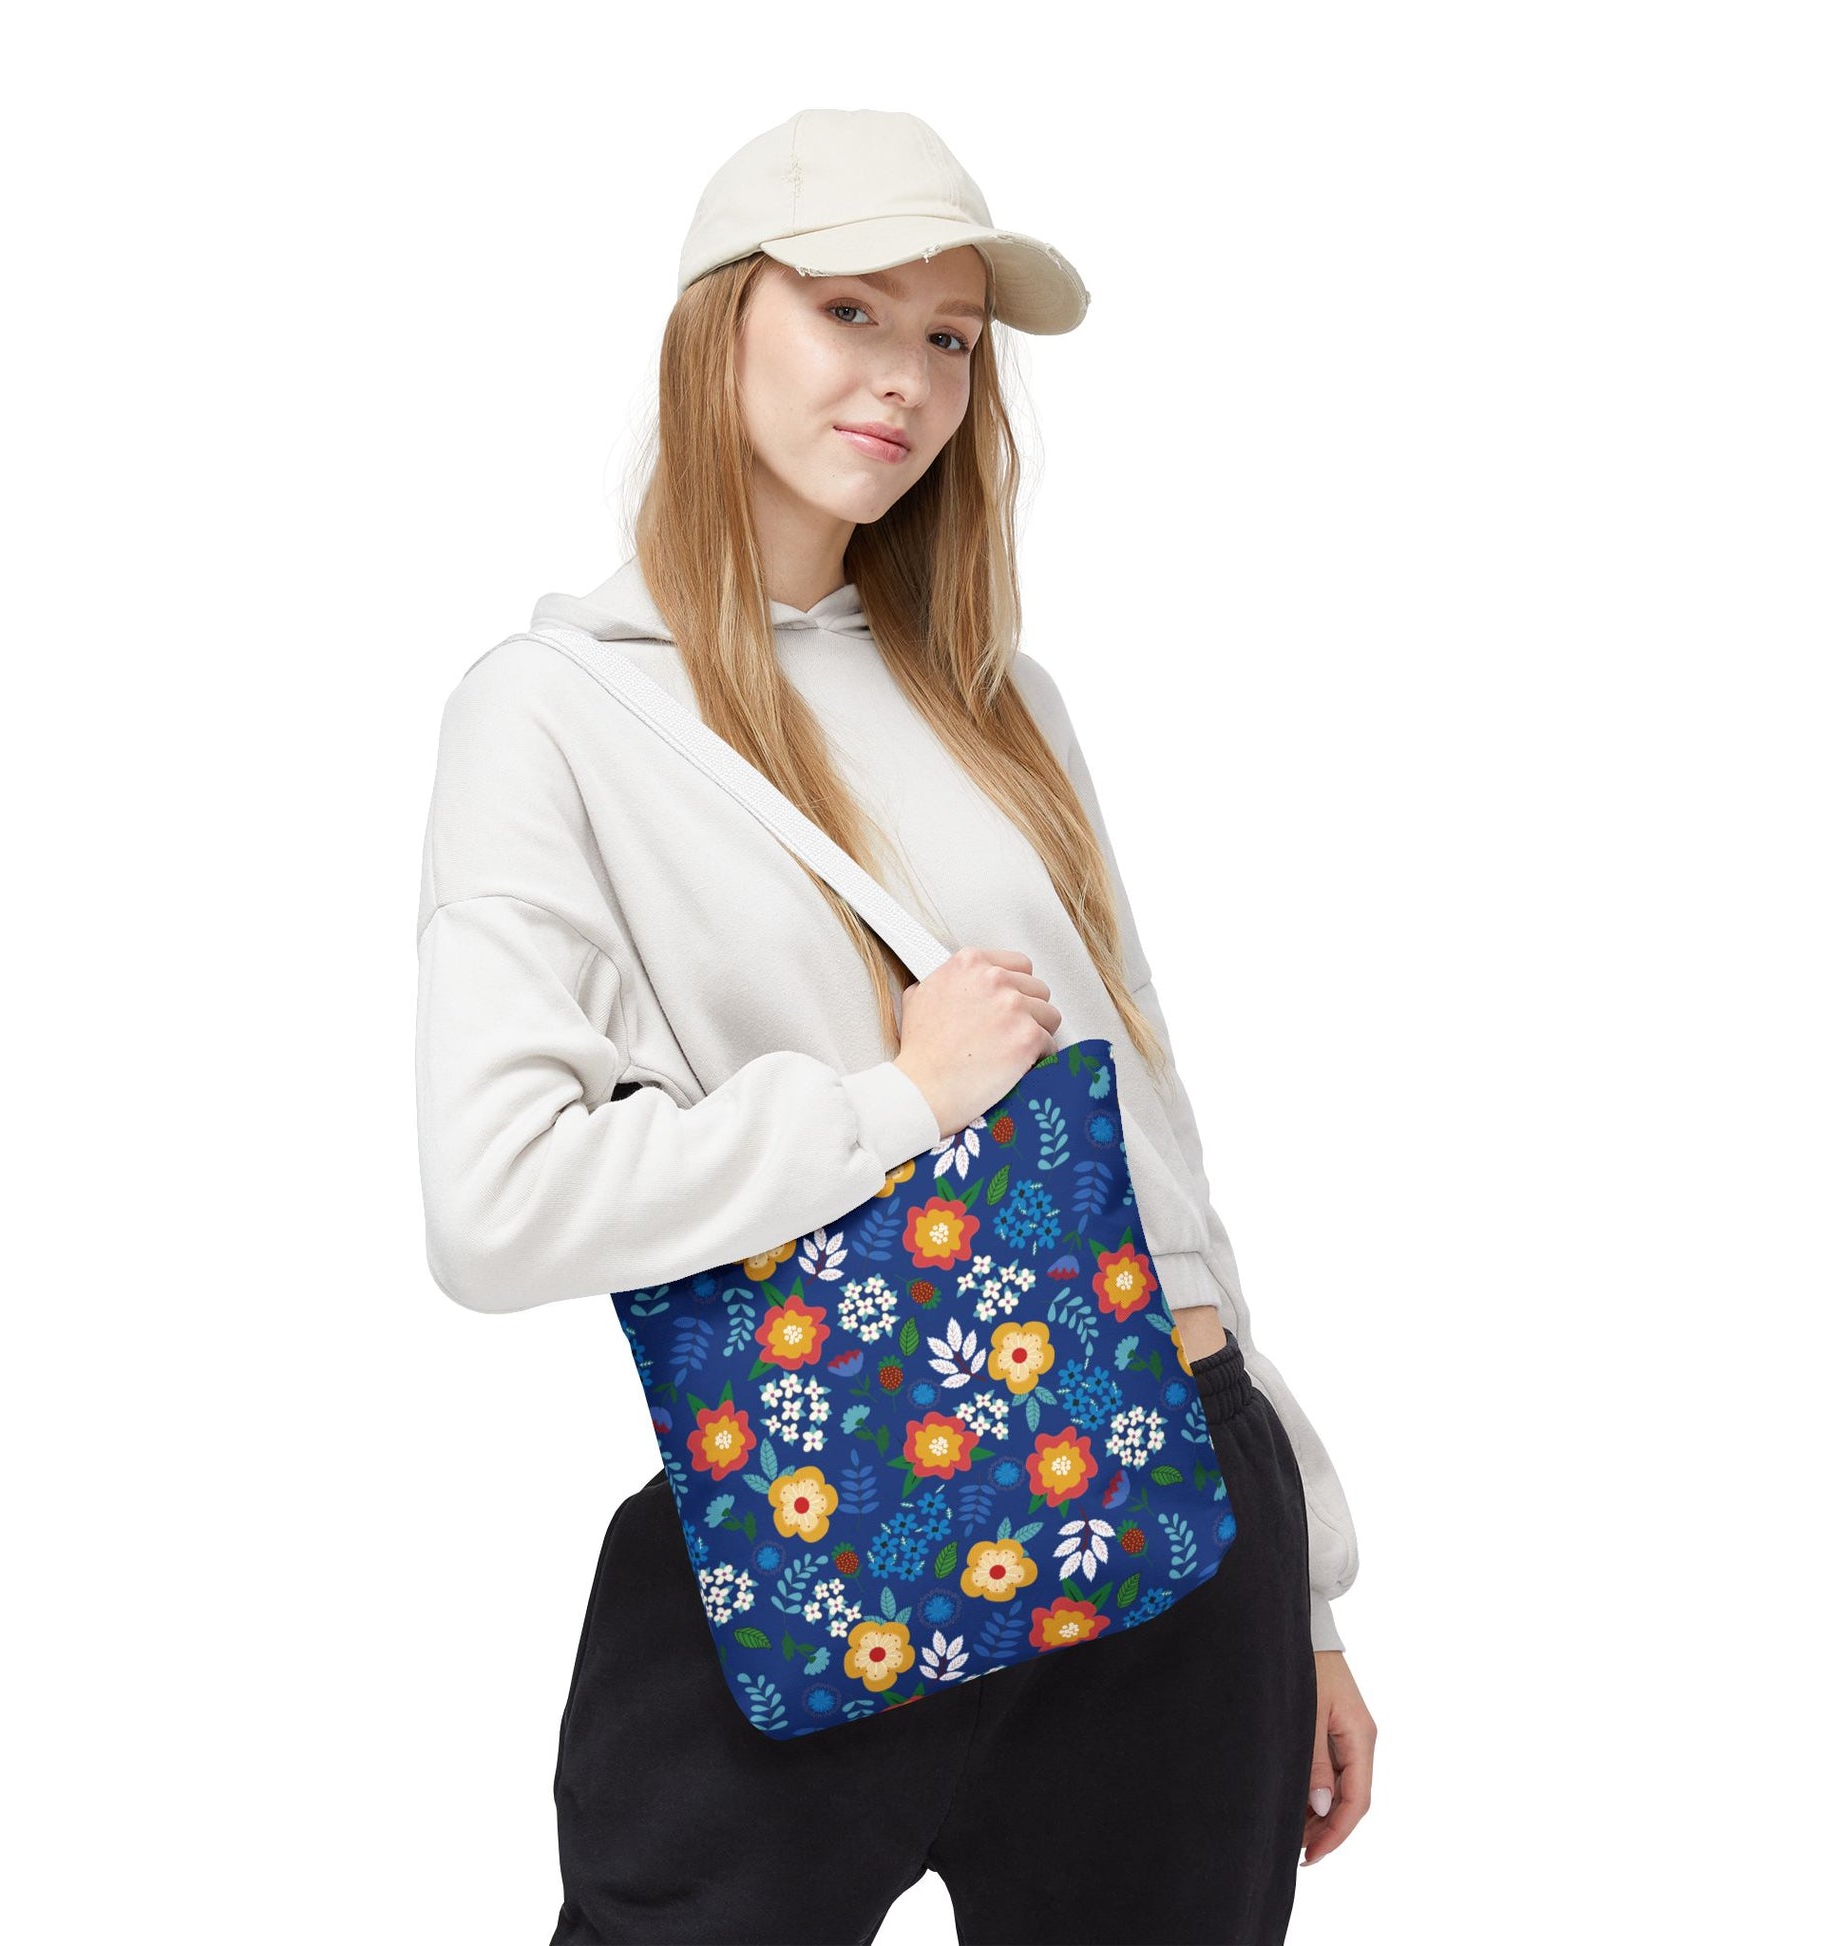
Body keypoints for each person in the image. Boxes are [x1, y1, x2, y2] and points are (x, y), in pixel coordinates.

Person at [415, 107, 1375, 1946]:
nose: (908, 380)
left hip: (1174, 1502)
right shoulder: (557, 716)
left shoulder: (998, 696)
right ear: (721, 324)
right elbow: (496, 1201)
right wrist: (895, 1097)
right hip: (822, 1509)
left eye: (947, 338)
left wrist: (1309, 1586)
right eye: (851, 308)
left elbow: (1149, 1147)